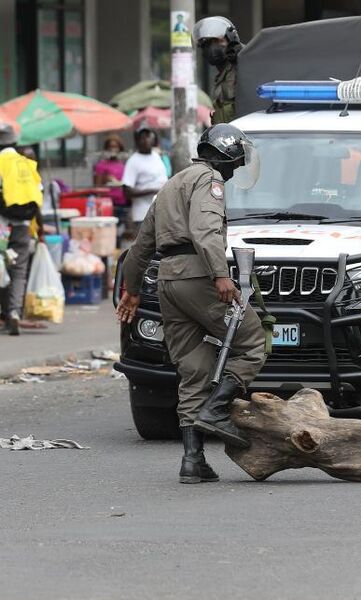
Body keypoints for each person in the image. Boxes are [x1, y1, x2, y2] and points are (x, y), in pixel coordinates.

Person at [117, 124, 265, 483]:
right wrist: (220, 274)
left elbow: (141, 247)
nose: (236, 170)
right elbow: (205, 230)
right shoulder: (209, 180)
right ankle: (216, 410)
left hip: (167, 282)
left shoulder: (172, 184)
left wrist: (132, 290)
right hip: (198, 277)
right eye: (237, 161)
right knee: (252, 342)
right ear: (228, 155)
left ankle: (192, 460)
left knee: (193, 369)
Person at [0, 122, 44, 336]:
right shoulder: (26, 164)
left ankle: (5, 313)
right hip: (24, 225)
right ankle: (15, 312)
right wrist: (40, 228)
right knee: (18, 271)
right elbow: (38, 196)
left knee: (2, 269)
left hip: (2, 226)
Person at [194, 16, 243, 125]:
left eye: (218, 41)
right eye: (208, 44)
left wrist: (241, 55)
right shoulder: (222, 76)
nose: (213, 48)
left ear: (231, 41)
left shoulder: (242, 64)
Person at [122, 127, 168, 230]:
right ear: (137, 141)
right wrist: (154, 190)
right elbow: (127, 191)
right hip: (143, 215)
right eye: (142, 137)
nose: (146, 140)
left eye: (148, 136)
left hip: (161, 213)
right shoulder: (133, 161)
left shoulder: (156, 156)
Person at [93, 135, 127, 210]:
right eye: (110, 147)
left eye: (115, 147)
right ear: (106, 149)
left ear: (120, 149)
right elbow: (97, 188)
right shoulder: (101, 165)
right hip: (107, 203)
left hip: (122, 203)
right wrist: (105, 179)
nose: (112, 149)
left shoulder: (123, 165)